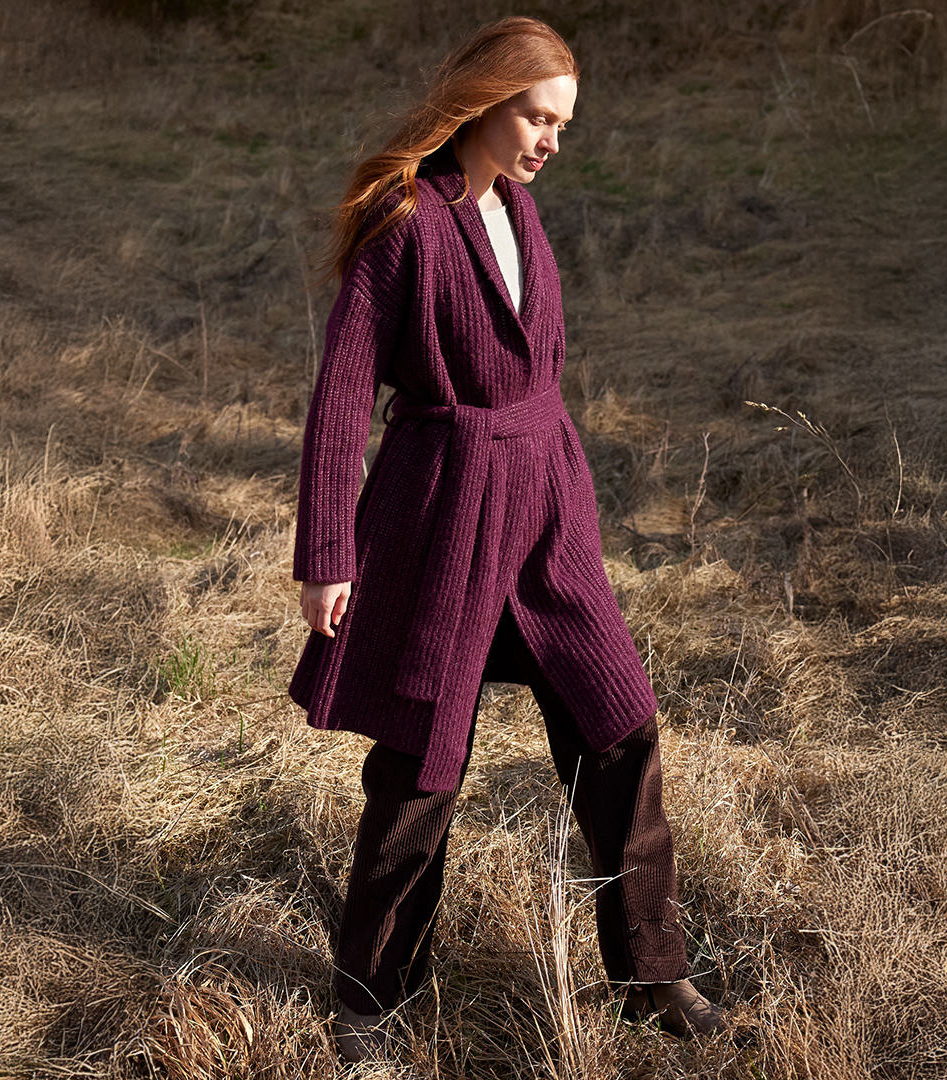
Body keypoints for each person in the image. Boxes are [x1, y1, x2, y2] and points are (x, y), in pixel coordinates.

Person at [290, 16, 724, 1064]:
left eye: (562, 124)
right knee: (422, 766)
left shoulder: (522, 215)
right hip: (439, 517)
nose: (550, 142)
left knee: (620, 722)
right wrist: (326, 553)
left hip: (546, 512)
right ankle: (371, 1001)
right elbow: (343, 393)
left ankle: (651, 973)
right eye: (538, 115)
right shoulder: (406, 224)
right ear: (485, 100)